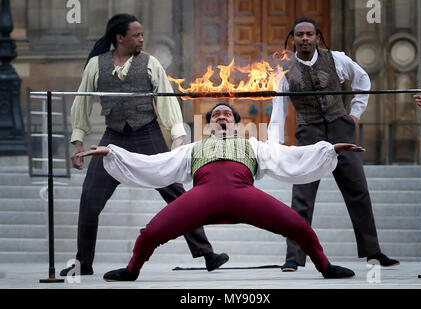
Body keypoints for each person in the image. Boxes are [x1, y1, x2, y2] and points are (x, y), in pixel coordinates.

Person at [76, 103, 367, 281]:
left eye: (227, 113)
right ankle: (131, 271)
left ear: (235, 122)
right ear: (210, 124)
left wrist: (329, 149)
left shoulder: (253, 145)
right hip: (201, 196)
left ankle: (325, 267)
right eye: (216, 115)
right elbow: (155, 163)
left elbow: (290, 156)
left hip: (244, 195)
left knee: (299, 226)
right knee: (150, 233)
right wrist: (112, 152)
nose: (222, 116)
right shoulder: (193, 147)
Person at [60, 13, 228, 276]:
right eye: (136, 35)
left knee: (176, 195)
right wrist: (78, 142)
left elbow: (166, 101)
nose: (141, 38)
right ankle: (84, 263)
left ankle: (208, 254)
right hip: (113, 138)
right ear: (120, 37)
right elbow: (81, 103)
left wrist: (177, 137)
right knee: (90, 199)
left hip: (147, 135)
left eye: (141, 34)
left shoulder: (150, 63)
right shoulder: (96, 65)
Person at [268, 17, 399, 272]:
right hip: (309, 132)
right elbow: (279, 107)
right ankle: (294, 257)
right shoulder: (284, 69)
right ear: (292, 39)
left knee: (358, 190)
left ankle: (373, 252)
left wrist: (355, 115)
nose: (304, 38)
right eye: (299, 35)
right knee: (302, 196)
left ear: (317, 37)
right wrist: (275, 144)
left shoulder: (337, 59)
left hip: (341, 129)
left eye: (309, 34)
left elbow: (363, 81)